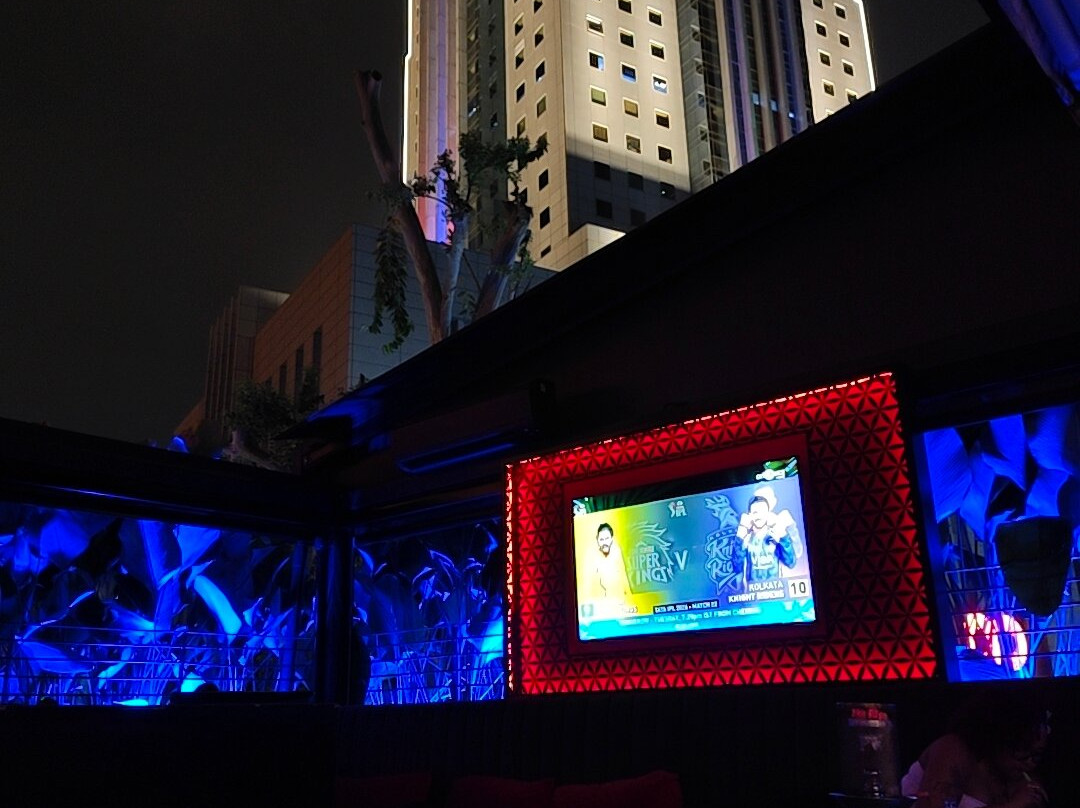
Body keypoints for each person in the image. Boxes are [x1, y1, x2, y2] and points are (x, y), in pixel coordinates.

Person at [901, 692, 1051, 808]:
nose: (1030, 763)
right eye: (1022, 752)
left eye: (1036, 755)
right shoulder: (952, 749)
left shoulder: (1023, 781)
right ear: (999, 740)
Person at [734, 486, 800, 585]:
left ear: (768, 513)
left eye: (762, 511)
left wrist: (783, 537)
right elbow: (737, 567)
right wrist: (739, 538)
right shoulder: (746, 539)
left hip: (777, 591)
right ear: (750, 515)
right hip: (753, 593)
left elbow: (791, 563)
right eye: (755, 512)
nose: (758, 516)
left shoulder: (776, 536)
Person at [584, 522, 632, 616]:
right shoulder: (592, 556)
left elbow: (624, 577)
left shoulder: (616, 551)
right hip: (600, 609)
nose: (604, 542)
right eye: (601, 539)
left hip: (620, 607)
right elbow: (588, 585)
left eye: (607, 539)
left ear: (611, 539)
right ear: (597, 541)